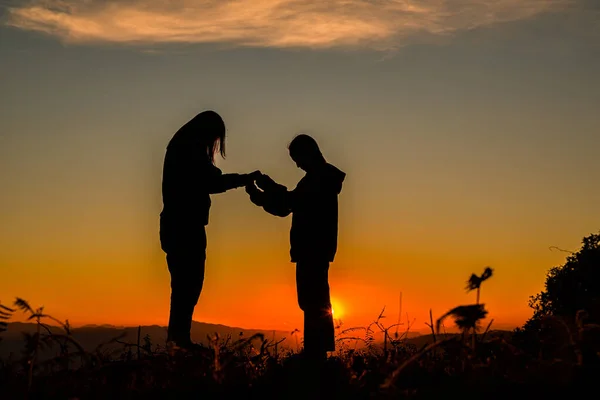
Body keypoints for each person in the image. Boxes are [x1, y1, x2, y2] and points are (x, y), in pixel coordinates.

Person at [159, 110, 260, 350]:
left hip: (178, 224)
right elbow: (212, 181)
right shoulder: (189, 149)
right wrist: (244, 179)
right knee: (188, 284)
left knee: (185, 284)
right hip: (185, 226)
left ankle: (178, 338)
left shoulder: (181, 147)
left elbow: (209, 179)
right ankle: (179, 340)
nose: (215, 144)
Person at [245, 134, 345, 361]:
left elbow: (292, 203)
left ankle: (316, 353)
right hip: (314, 248)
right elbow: (290, 204)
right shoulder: (319, 178)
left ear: (307, 154)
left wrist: (265, 190)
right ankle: (316, 350)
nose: (297, 164)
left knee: (313, 300)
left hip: (313, 247)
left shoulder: (319, 179)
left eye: (297, 159)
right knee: (312, 299)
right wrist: (263, 194)